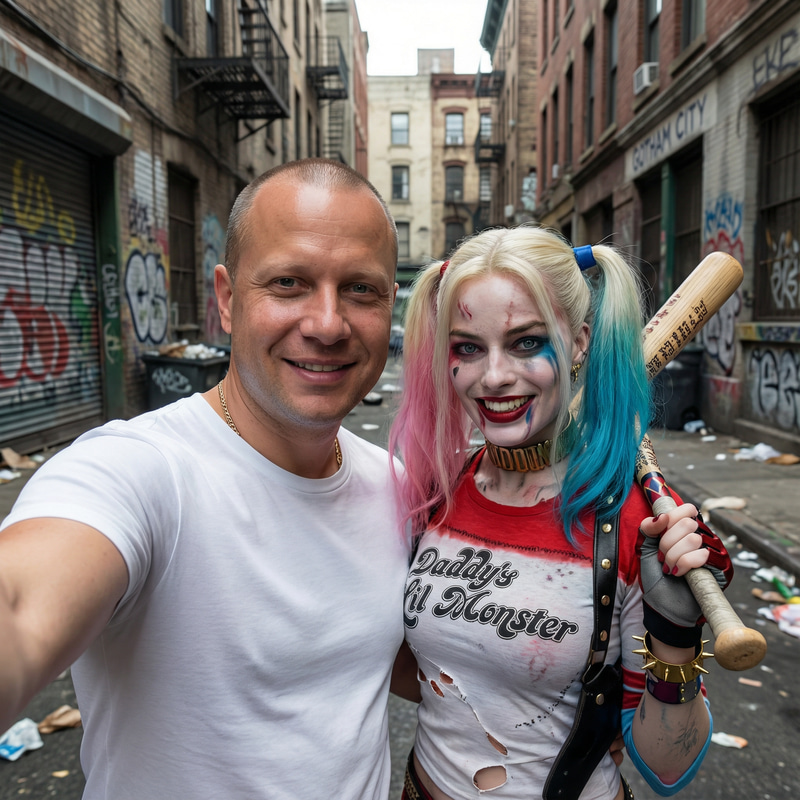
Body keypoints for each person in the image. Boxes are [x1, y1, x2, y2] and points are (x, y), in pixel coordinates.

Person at [0, 159, 413, 799]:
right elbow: (20, 607)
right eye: (288, 283)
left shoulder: (391, 482)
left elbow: (408, 660)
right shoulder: (137, 469)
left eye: (361, 289)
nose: (328, 324)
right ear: (226, 299)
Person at [388, 226, 733, 800]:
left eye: (526, 342)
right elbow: (426, 677)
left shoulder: (634, 519)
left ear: (578, 342)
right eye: (467, 347)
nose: (493, 376)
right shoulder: (439, 489)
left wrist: (676, 638)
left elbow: (666, 770)